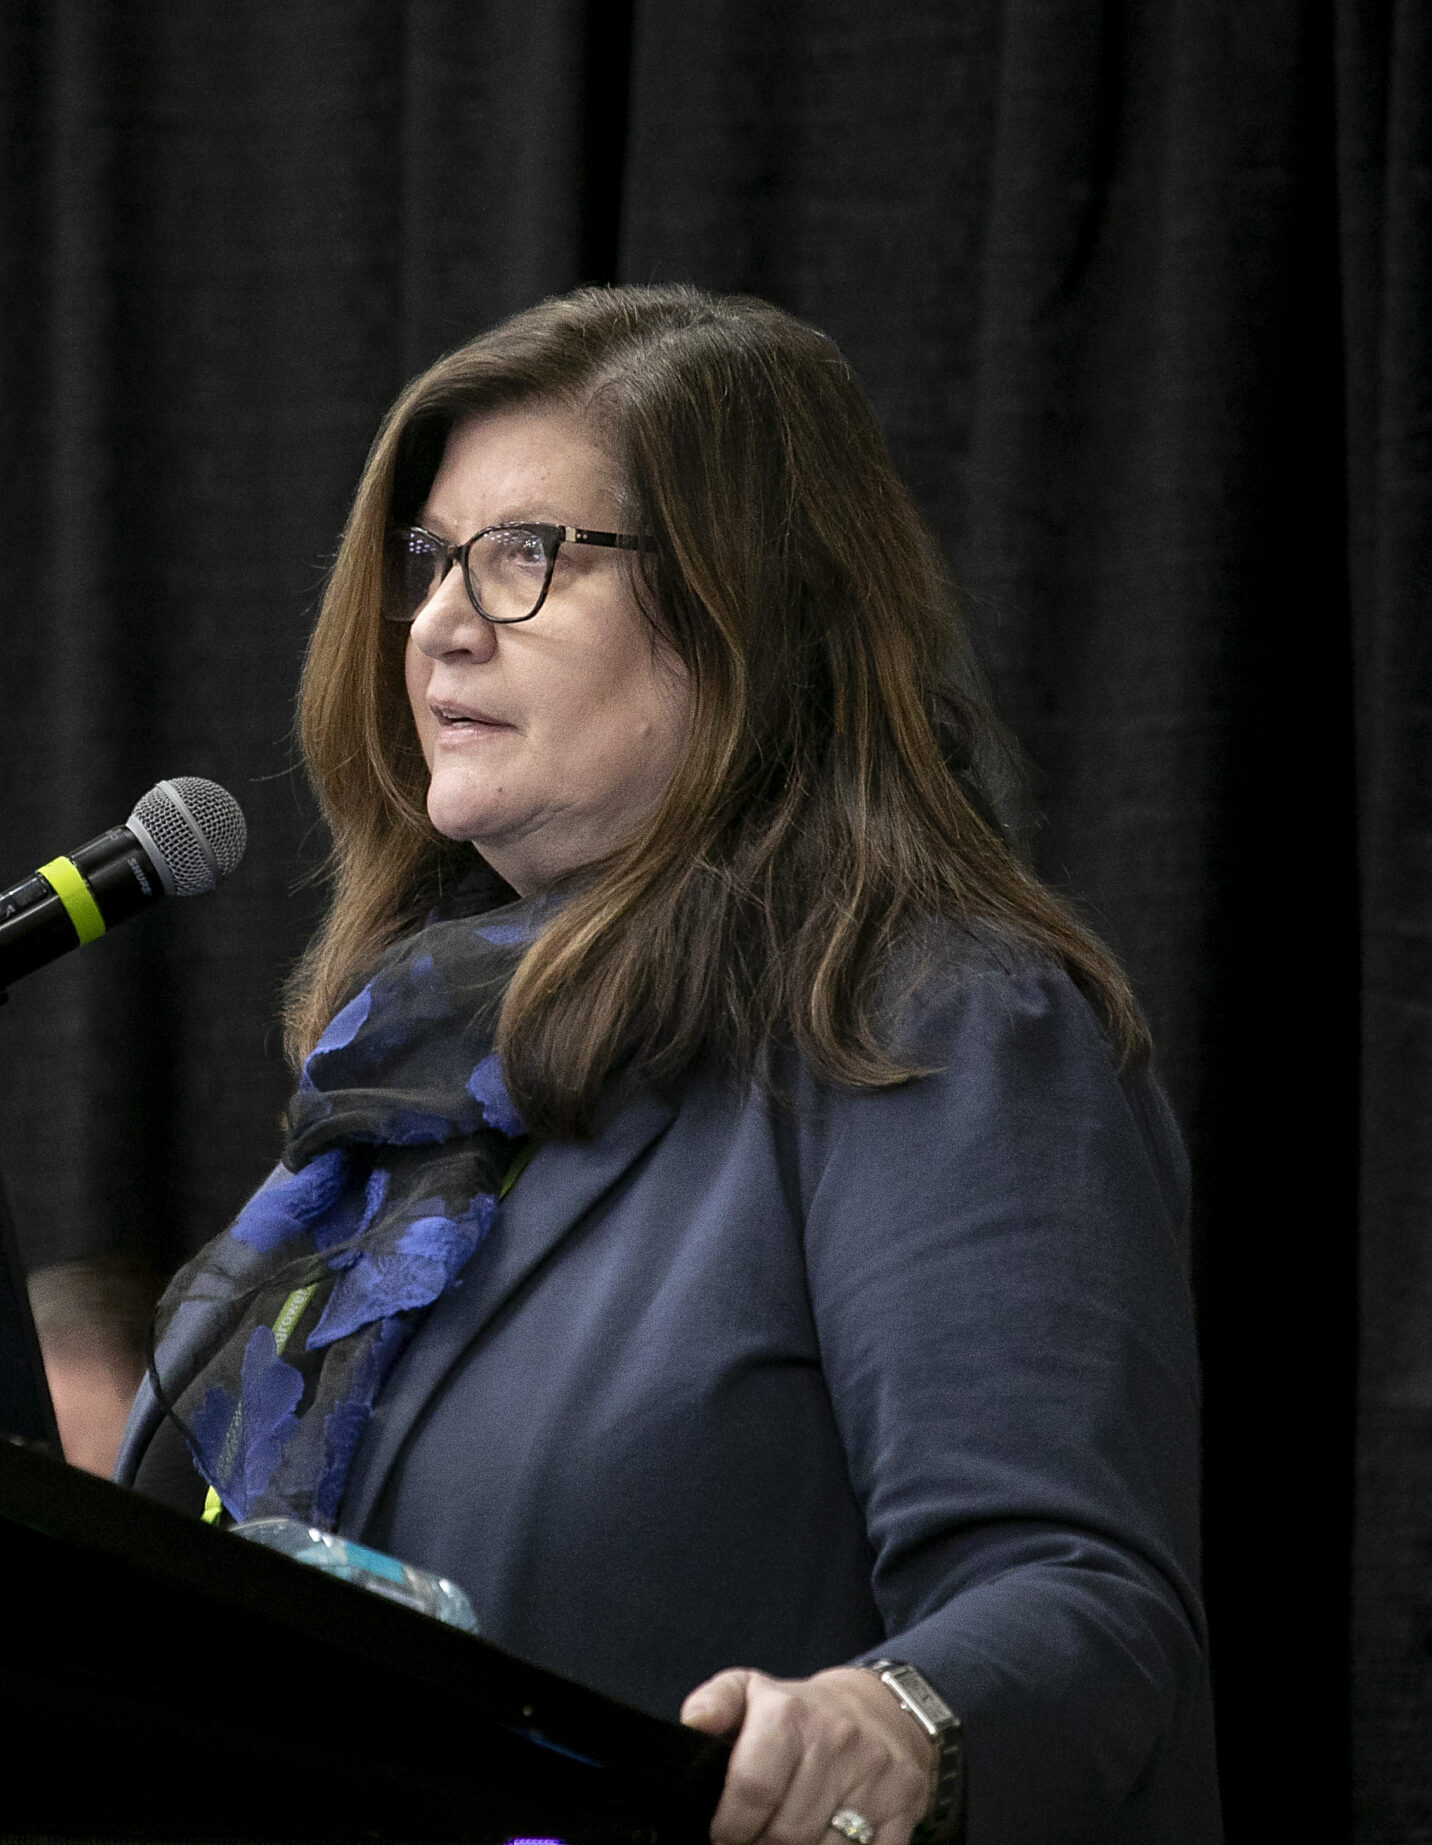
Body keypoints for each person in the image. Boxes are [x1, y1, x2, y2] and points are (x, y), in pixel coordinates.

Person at [108, 287, 1219, 1845]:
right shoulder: (399, 1095)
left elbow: (1080, 1603)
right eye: (428, 562)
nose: (437, 620)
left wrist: (889, 1721)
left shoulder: (932, 1022)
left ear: (748, 613)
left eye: (525, 554)